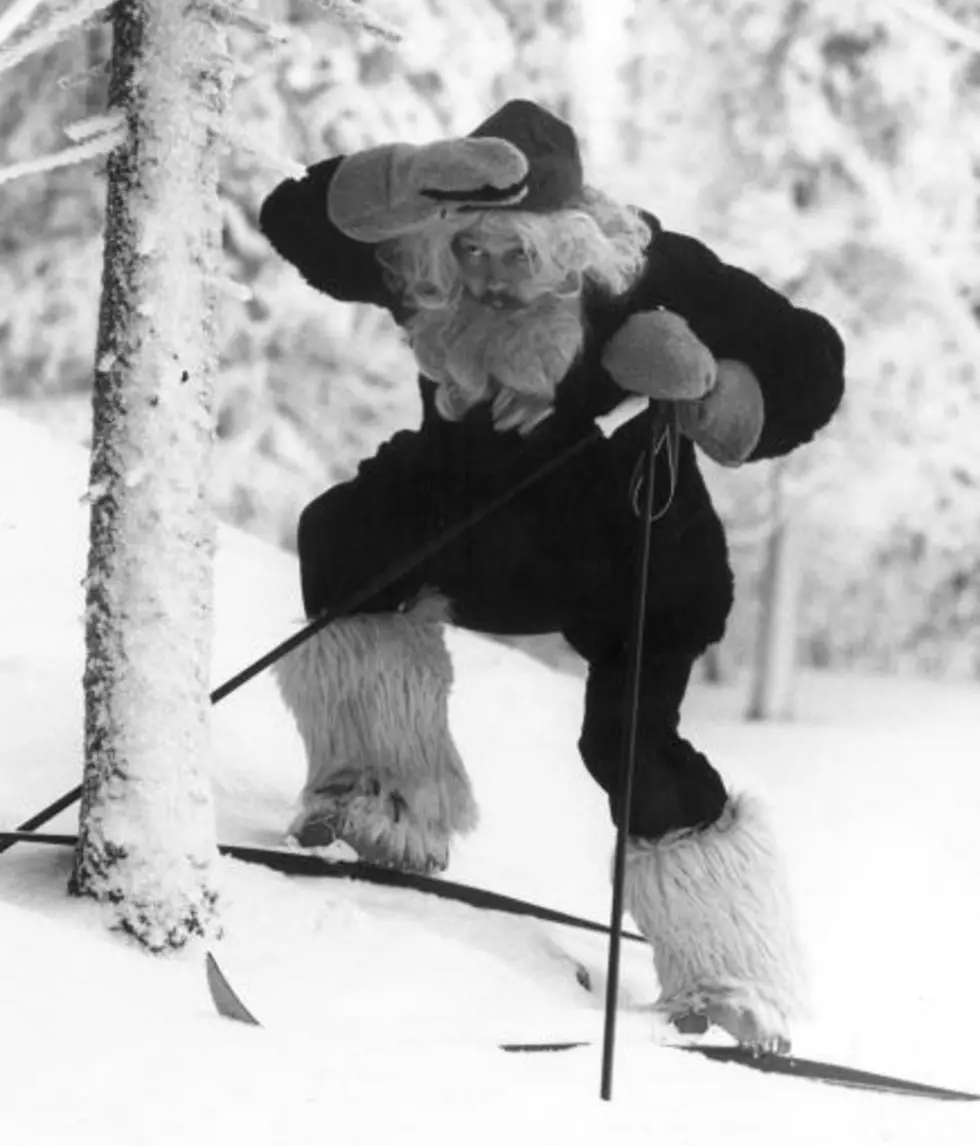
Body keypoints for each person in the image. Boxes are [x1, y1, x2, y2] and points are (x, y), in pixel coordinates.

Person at [258, 98, 845, 1050]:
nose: (487, 275)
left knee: (624, 747)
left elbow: (810, 361)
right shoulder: (423, 261)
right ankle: (379, 798)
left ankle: (731, 979)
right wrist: (413, 174)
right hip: (469, 519)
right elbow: (293, 218)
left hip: (627, 550)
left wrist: (704, 387)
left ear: (568, 244)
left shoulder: (647, 268)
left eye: (515, 253)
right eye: (472, 249)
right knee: (346, 537)